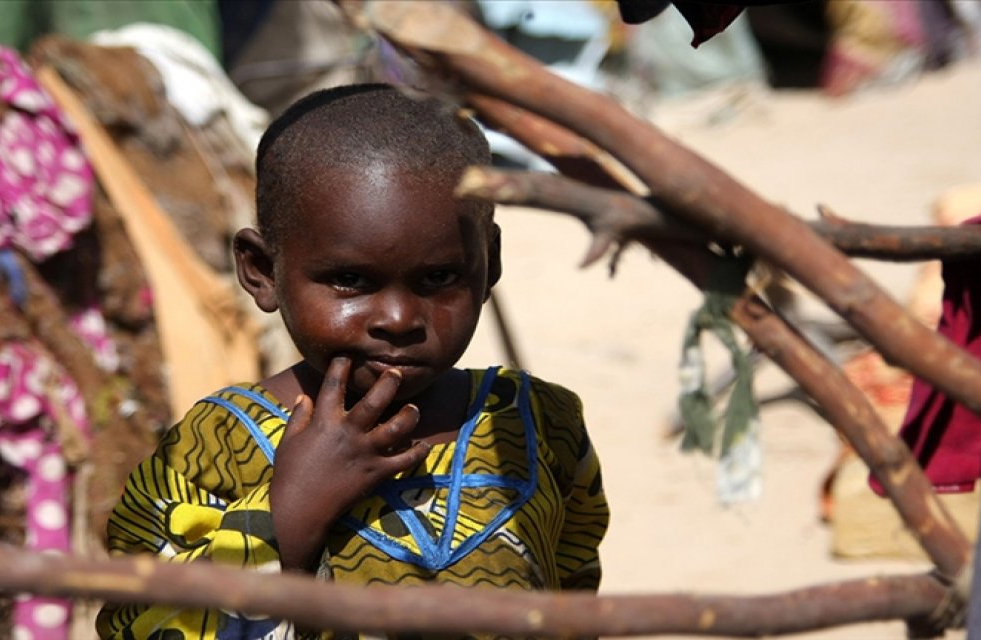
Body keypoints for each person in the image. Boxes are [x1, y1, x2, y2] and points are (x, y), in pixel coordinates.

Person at [95, 84, 609, 639]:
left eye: (438, 277)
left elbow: (572, 584)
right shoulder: (211, 447)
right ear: (262, 271)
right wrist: (286, 519)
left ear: (490, 264)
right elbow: (132, 622)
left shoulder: (534, 425)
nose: (397, 317)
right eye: (350, 280)